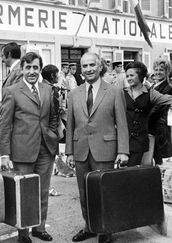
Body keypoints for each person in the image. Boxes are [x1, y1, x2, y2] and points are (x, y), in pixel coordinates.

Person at [65, 52, 129, 243]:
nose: (88, 69)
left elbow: (122, 123)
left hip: (105, 150)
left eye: (92, 65)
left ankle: (105, 230)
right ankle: (89, 227)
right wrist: (69, 151)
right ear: (81, 69)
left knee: (104, 193)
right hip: (81, 150)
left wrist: (123, 151)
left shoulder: (114, 91)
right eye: (85, 66)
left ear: (100, 66)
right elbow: (70, 125)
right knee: (84, 193)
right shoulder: (73, 94)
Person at [0, 52, 59, 243]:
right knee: (24, 194)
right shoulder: (12, 91)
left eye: (35, 67)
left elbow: (53, 117)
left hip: (46, 149)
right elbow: (5, 124)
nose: (32, 71)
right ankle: (23, 234)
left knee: (42, 190)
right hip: (22, 151)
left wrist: (52, 135)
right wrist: (5, 154)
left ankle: (40, 228)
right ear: (22, 69)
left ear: (40, 69)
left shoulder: (48, 90)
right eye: (28, 67)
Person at [123, 61, 172, 166]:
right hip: (126, 138)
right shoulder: (122, 92)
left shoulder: (150, 92)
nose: (129, 78)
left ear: (140, 76)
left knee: (145, 166)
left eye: (132, 75)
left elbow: (168, 99)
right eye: (127, 76)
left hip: (146, 134)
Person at [149, 58, 172, 164]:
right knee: (153, 155)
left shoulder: (167, 87)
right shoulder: (154, 85)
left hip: (159, 124)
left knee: (158, 156)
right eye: (155, 69)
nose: (157, 72)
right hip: (154, 124)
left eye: (161, 70)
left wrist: (146, 117)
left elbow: (159, 107)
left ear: (167, 71)